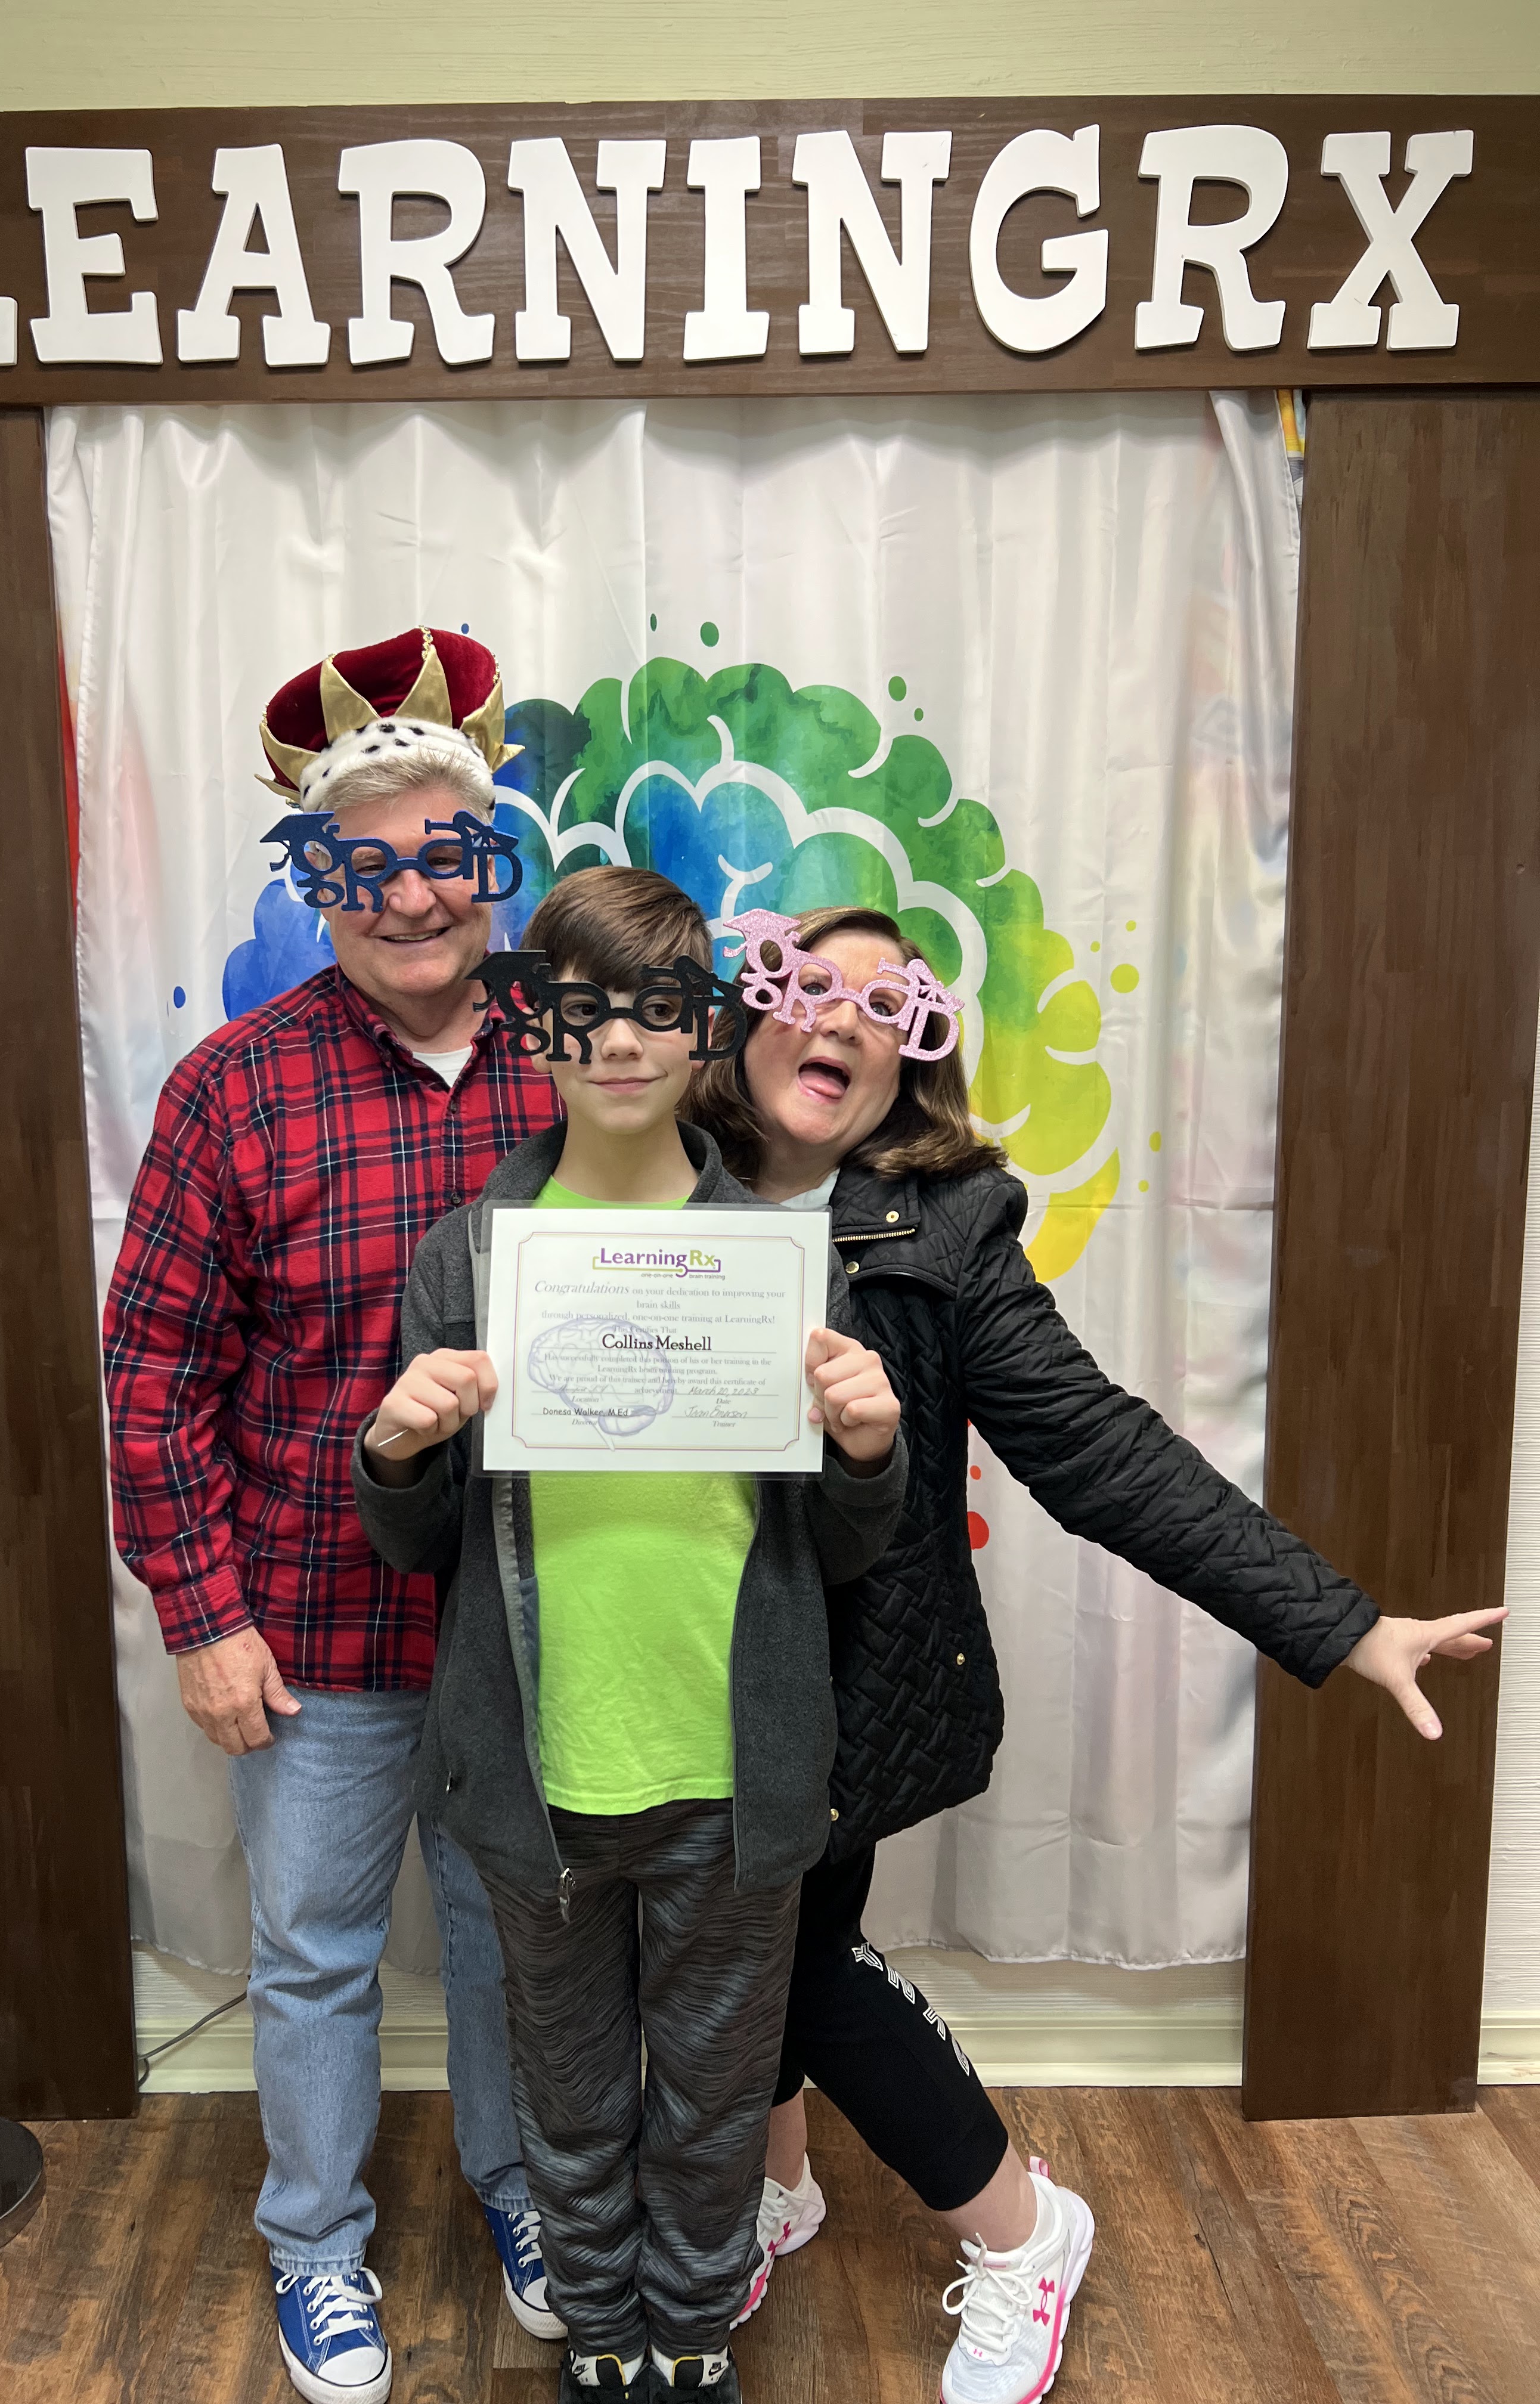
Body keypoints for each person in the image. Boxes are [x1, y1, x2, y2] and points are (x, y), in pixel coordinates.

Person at [686, 903, 1507, 2404]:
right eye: (810, 985)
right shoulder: (655, 1186)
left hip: (847, 1688)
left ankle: (1022, 2231)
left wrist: (1341, 1622)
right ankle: (779, 2184)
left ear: (913, 1065)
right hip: (679, 1669)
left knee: (788, 1963)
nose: (844, 1017)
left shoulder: (947, 1227)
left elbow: (1102, 1453)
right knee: (763, 1953)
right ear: (750, 1016)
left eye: (892, 1006)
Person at [351, 867, 907, 2404]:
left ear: (706, 1029)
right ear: (532, 1026)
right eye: (582, 1010)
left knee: (719, 2097)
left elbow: (841, 1548)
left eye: (658, 1010)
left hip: (732, 1763)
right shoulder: (469, 1256)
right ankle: (600, 2332)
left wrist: (870, 1448)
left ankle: (695, 2331)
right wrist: (396, 1448)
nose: (618, 1042)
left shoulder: (782, 1258)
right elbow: (417, 1545)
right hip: (538, 1768)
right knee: (571, 2088)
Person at [103, 627, 566, 2404]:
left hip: (537, 1612)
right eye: (367, 870)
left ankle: (523, 2187)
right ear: (315, 883)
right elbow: (152, 1375)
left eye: (447, 856)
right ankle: (315, 2241)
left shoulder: (579, 1057)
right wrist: (203, 1616)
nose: (415, 899)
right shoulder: (235, 1087)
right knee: (311, 1954)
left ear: (491, 862)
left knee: (523, 1934)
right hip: (312, 1623)